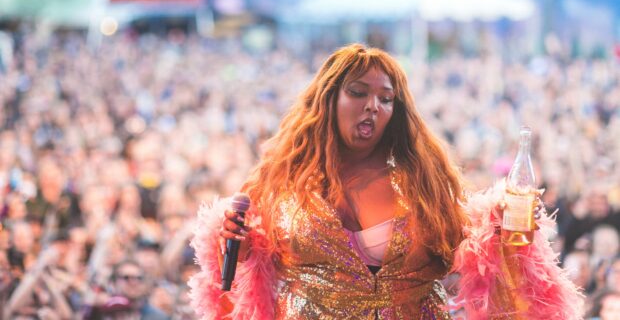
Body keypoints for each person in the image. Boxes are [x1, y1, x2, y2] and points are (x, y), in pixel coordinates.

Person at [189, 44, 582, 319]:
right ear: (329, 101)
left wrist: (503, 227)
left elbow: (466, 256)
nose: (373, 106)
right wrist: (236, 247)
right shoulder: (280, 188)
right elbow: (246, 278)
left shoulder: (423, 190)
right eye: (358, 93)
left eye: (386, 98)